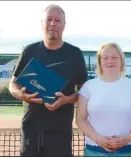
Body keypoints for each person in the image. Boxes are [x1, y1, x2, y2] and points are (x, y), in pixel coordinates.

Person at [8, 4, 88, 157]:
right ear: (42, 23)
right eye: (49, 19)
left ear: (64, 25)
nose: (53, 24)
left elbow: (85, 92)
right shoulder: (29, 50)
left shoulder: (75, 54)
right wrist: (22, 96)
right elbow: (13, 84)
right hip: (31, 129)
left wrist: (66, 100)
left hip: (60, 131)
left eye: (58, 20)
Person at [76, 43, 131, 156]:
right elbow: (80, 119)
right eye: (105, 57)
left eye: (114, 57)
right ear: (100, 61)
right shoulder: (88, 86)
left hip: (128, 152)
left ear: (121, 60)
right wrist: (98, 139)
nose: (110, 61)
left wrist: (129, 138)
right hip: (95, 152)